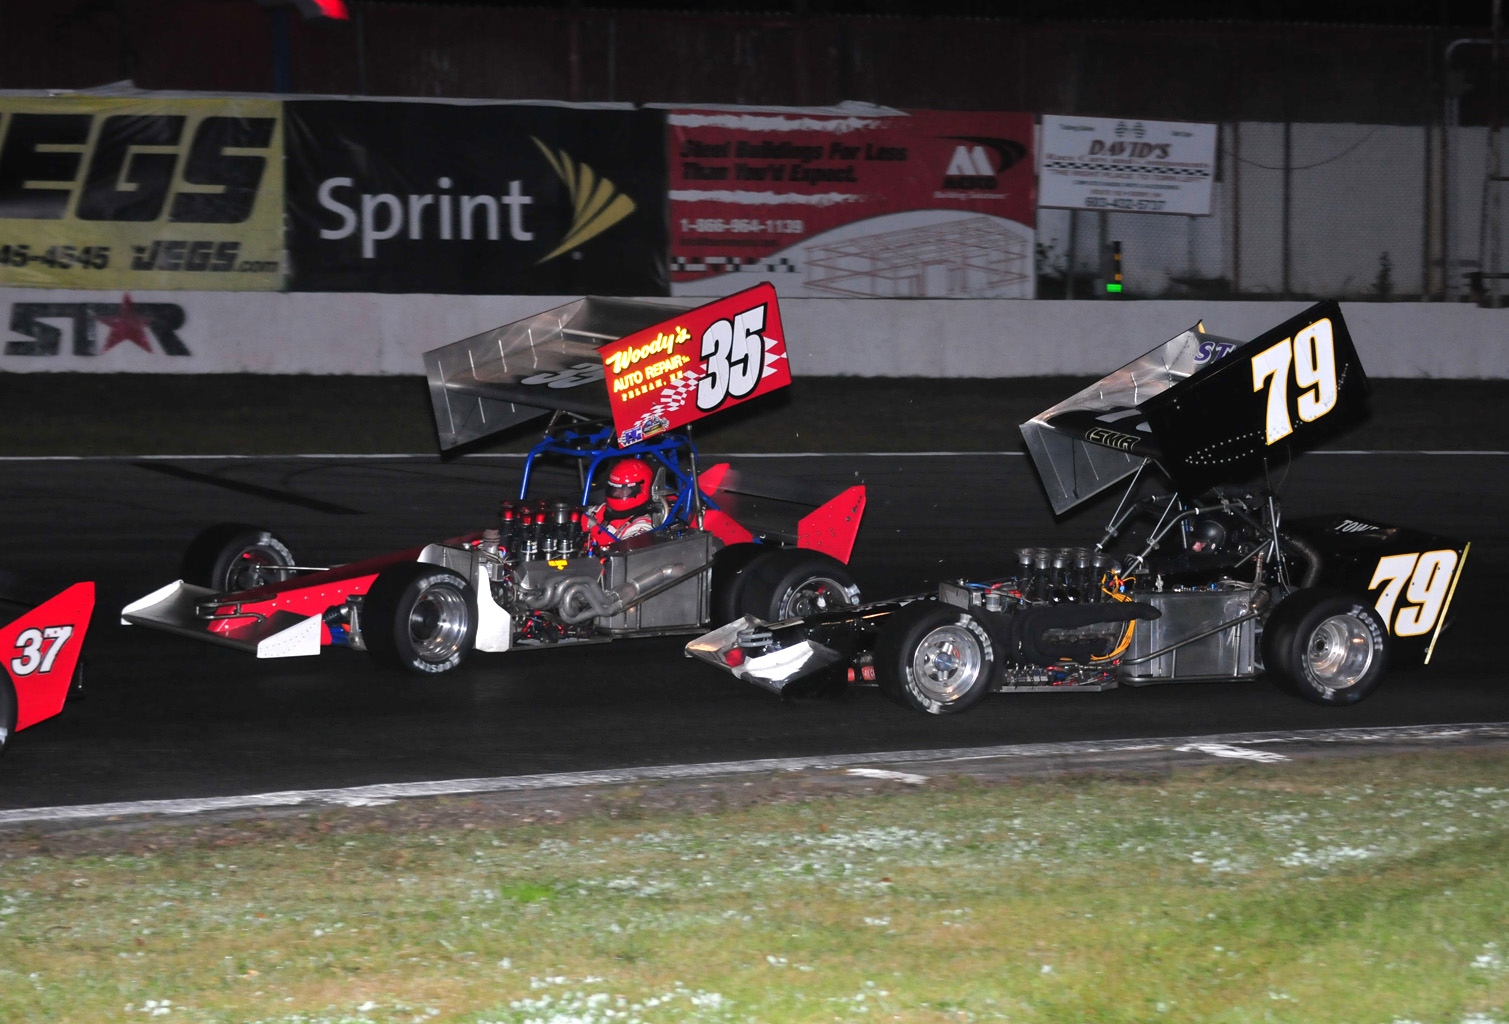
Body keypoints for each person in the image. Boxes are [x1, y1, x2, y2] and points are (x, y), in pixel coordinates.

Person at [582, 457, 668, 545]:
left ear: (642, 489)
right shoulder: (599, 510)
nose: (616, 493)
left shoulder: (642, 526)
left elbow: (626, 553)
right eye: (613, 488)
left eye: (624, 489)